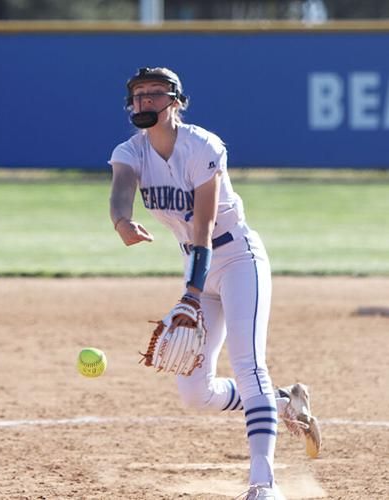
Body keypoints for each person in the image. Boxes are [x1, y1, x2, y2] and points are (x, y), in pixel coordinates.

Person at [108, 67, 321, 500]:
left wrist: (190, 292)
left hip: (238, 258)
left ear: (176, 102)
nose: (145, 101)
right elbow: (121, 190)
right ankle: (284, 404)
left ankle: (264, 484)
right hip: (197, 268)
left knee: (248, 366)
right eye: (138, 96)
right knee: (195, 392)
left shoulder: (202, 146)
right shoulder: (130, 151)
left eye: (155, 94)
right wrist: (121, 221)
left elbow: (204, 225)